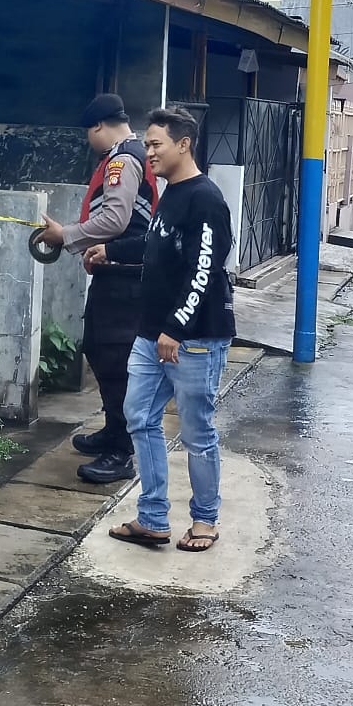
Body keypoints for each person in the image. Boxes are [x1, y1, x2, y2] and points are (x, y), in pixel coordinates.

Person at [93, 106, 235, 553]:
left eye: (155, 144)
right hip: (151, 334)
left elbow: (204, 270)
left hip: (193, 338)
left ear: (183, 144)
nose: (148, 152)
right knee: (139, 417)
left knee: (196, 432)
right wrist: (110, 250)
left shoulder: (205, 199)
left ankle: (205, 520)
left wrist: (176, 327)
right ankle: (152, 518)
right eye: (147, 144)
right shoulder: (170, 192)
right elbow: (156, 244)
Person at [32, 94, 157, 485]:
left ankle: (121, 450)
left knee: (114, 359)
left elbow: (115, 219)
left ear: (99, 126)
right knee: (101, 352)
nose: (89, 141)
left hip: (125, 278)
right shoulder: (135, 154)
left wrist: (65, 235)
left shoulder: (121, 160)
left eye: (89, 132)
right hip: (121, 272)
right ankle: (113, 430)